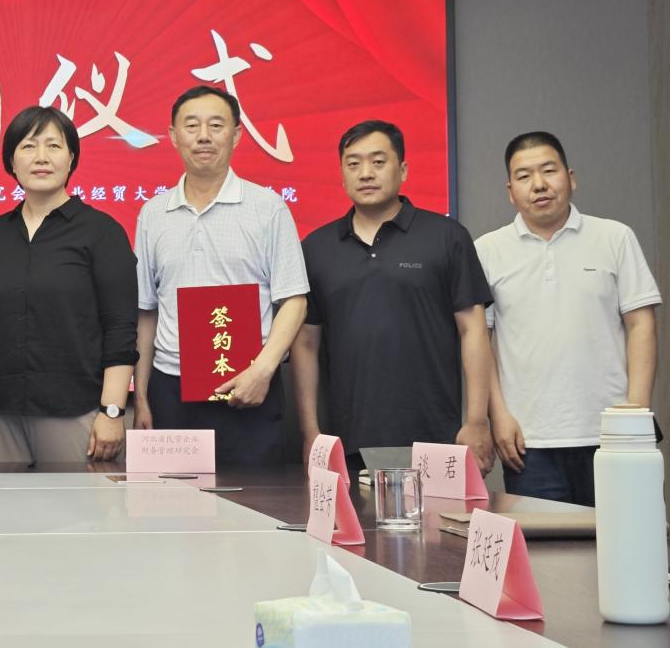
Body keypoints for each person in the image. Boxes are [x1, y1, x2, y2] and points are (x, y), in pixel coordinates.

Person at [291, 120, 495, 473]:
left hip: (436, 436)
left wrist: (477, 420)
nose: (365, 173)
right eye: (353, 164)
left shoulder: (447, 237)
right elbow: (306, 344)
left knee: (438, 513)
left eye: (378, 161)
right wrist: (311, 432)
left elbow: (473, 329)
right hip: (349, 439)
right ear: (342, 175)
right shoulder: (316, 248)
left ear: (402, 170)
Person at [476, 132, 660, 505]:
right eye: (524, 176)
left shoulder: (615, 237)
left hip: (611, 435)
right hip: (528, 442)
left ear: (570, 178)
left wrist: (635, 415)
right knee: (544, 543)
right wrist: (498, 415)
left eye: (549, 170)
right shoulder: (487, 250)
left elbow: (641, 324)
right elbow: (481, 341)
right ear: (511, 191)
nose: (539, 184)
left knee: (623, 536)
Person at [134, 86, 309, 465]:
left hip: (250, 387)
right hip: (171, 388)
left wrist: (263, 370)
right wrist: (143, 395)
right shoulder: (153, 214)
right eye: (191, 125)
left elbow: (294, 299)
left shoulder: (267, 208)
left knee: (254, 496)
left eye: (216, 125)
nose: (203, 136)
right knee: (171, 498)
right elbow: (146, 311)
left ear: (236, 134)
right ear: (173, 136)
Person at [0, 107, 137, 464]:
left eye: (53, 146)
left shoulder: (102, 232)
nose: (41, 157)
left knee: (79, 503)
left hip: (74, 410)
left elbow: (120, 329)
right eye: (28, 146)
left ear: (71, 158)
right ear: (11, 161)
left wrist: (112, 410)